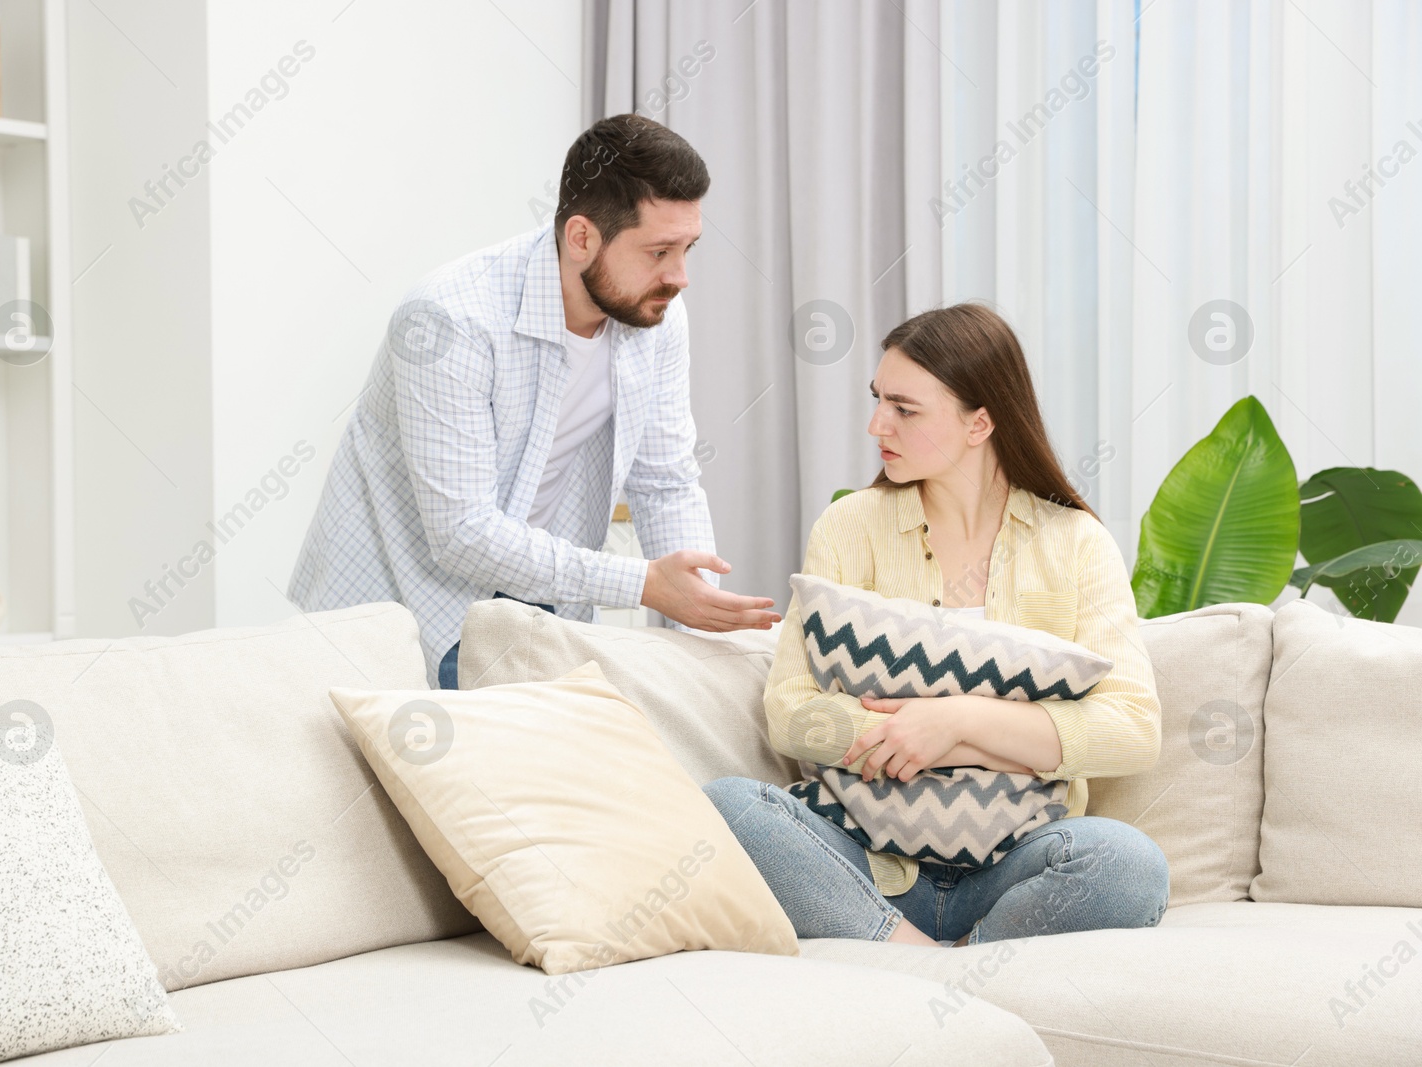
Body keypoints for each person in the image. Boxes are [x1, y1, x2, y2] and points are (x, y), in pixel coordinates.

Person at [703, 303, 1169, 947]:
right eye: (877, 401)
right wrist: (916, 735)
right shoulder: (850, 527)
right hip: (860, 859)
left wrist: (954, 725)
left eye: (905, 408)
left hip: (1011, 866)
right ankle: (925, 960)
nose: (875, 425)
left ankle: (923, 960)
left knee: (1129, 864)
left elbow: (1134, 730)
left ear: (980, 422)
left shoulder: (1075, 542)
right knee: (728, 806)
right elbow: (790, 712)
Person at [288, 114, 782, 688]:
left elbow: (665, 480)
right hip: (396, 604)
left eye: (688, 248)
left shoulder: (655, 318)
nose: (680, 276)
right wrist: (643, 583)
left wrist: (706, 624)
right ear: (581, 238)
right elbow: (464, 532)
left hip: (536, 599)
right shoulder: (448, 320)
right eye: (659, 251)